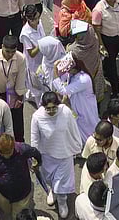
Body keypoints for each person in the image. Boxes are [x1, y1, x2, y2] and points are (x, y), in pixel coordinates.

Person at [30, 91, 84, 219]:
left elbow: (73, 129)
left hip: (64, 153)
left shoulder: (65, 112)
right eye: (48, 108)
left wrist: (77, 146)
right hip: (46, 154)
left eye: (54, 107)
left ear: (58, 105)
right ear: (43, 106)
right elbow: (34, 138)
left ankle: (62, 201)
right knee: (49, 179)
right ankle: (52, 191)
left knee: (61, 182)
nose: (51, 111)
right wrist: (34, 156)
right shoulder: (37, 117)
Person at [0, 132, 42, 220]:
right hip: (3, 194)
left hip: (22, 194)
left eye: (8, 153)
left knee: (19, 217)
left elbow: (36, 153)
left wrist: (37, 164)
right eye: (3, 153)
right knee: (5, 216)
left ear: (13, 146)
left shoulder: (23, 149)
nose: (6, 156)